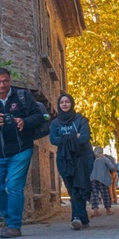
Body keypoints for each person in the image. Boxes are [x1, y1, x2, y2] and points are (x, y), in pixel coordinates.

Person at [0, 67, 43, 239]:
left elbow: (39, 116)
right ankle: (9, 217)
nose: (1, 85)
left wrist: (24, 121)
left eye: (5, 81)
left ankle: (13, 226)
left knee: (14, 186)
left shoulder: (22, 97)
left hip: (21, 150)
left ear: (10, 80)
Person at [49, 94, 94, 230]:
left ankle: (76, 218)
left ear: (71, 103)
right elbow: (53, 139)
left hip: (81, 159)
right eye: (62, 102)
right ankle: (83, 218)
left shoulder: (81, 120)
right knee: (71, 188)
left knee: (79, 187)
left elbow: (85, 137)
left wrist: (65, 138)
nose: (64, 104)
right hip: (64, 159)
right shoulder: (55, 123)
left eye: (67, 102)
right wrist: (74, 136)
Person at [90, 147, 117, 217]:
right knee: (105, 195)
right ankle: (108, 210)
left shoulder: (92, 160)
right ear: (102, 153)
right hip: (102, 179)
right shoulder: (105, 159)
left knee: (95, 195)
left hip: (93, 179)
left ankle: (95, 211)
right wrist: (115, 170)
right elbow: (112, 167)